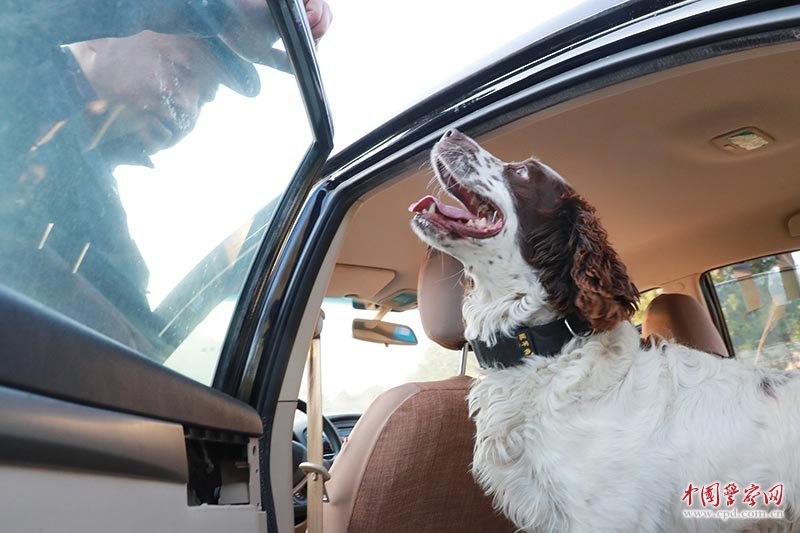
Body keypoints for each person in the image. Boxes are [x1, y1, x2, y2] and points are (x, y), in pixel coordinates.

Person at [0, 0, 331, 354]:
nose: (188, 106)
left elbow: (131, 350)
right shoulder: (17, 78)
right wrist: (215, 9)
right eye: (181, 69)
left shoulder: (99, 211)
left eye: (204, 99)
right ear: (98, 35)